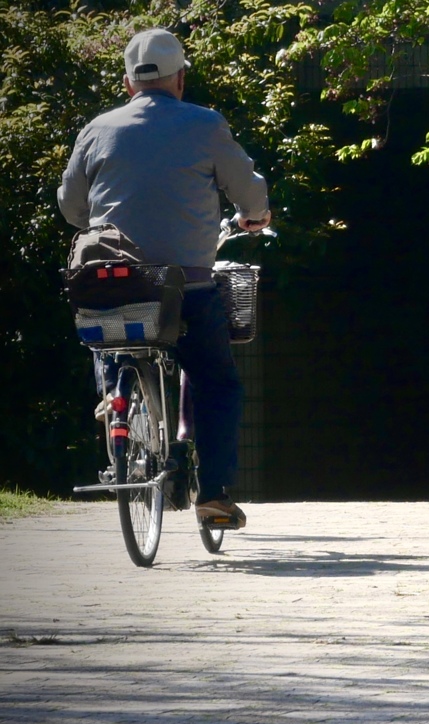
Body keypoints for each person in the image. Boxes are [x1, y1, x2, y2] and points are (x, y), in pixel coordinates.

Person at [58, 28, 271, 530]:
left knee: (108, 334)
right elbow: (248, 190)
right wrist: (255, 214)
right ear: (179, 78)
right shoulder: (204, 124)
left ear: (129, 84)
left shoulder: (97, 129)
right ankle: (213, 493)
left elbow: (71, 206)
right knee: (217, 380)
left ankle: (114, 401)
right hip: (187, 286)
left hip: (117, 281)